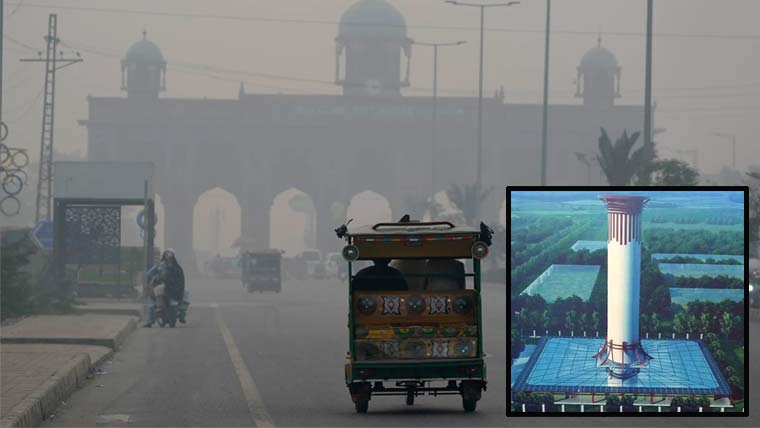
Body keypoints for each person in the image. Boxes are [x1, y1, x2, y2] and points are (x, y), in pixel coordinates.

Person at [144, 249, 186, 326]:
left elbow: (149, 275)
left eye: (170, 257)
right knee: (152, 302)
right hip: (173, 290)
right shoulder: (171, 266)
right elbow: (149, 275)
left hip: (171, 289)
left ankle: (150, 321)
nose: (169, 259)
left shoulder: (172, 267)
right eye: (168, 256)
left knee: (152, 301)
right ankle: (150, 321)